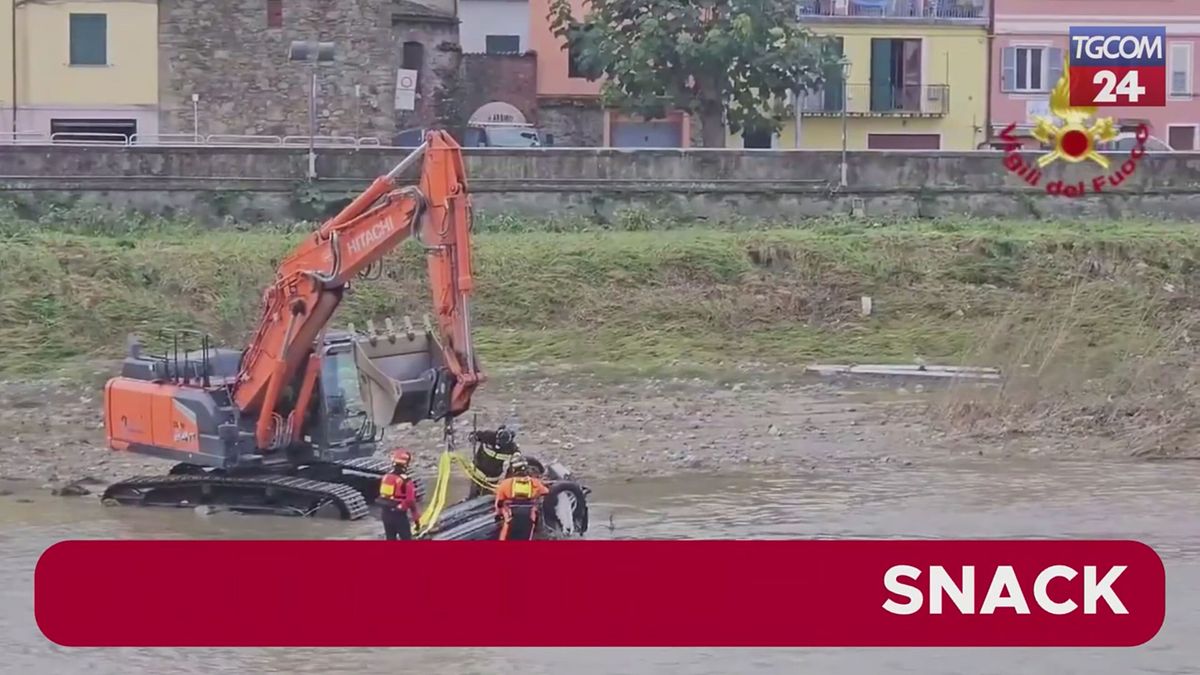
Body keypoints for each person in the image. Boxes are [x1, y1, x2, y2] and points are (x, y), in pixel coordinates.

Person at [493, 455, 550, 541]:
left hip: (510, 518)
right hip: (529, 518)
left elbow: (498, 504)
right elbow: (546, 491)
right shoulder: (534, 482)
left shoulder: (505, 484)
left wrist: (498, 515)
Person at [377, 449, 421, 540]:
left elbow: (383, 495)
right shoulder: (406, 480)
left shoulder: (386, 477)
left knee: (390, 538)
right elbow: (410, 501)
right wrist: (416, 520)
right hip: (399, 515)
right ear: (406, 464)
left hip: (385, 513)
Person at [468, 426, 521, 499]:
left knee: (486, 498)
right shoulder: (488, 436)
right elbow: (474, 435)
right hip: (478, 473)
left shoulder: (512, 448)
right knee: (473, 495)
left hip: (492, 478)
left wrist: (508, 480)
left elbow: (515, 462)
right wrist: (472, 438)